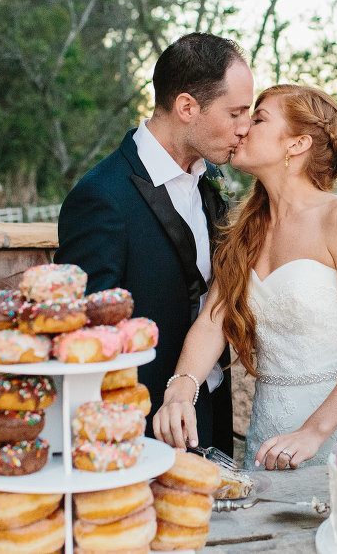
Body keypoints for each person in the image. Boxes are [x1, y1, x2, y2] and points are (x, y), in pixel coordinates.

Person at [153, 84, 337, 470]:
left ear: (296, 144)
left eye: (259, 118)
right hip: (269, 438)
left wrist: (314, 432)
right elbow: (213, 322)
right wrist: (181, 390)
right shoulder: (244, 229)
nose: (243, 127)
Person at [55, 33, 254, 456]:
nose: (245, 127)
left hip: (209, 416)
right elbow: (87, 338)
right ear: (187, 107)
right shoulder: (101, 198)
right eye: (235, 112)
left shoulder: (209, 179)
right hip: (141, 434)